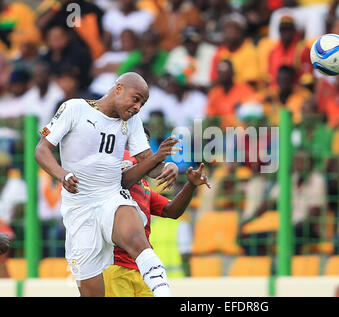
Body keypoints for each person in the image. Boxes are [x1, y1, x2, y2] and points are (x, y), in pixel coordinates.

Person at [34, 72, 180, 297]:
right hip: (79, 208)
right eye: (136, 98)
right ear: (119, 88)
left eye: (142, 103)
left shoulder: (133, 121)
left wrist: (168, 167)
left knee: (136, 239)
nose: (138, 107)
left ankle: (164, 293)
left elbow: (147, 161)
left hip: (112, 196)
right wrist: (62, 175)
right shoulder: (74, 108)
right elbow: (41, 150)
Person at [103, 137, 210, 297]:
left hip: (143, 268)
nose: (143, 150)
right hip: (114, 266)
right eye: (140, 142)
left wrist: (191, 185)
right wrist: (159, 160)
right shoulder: (110, 174)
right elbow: (124, 180)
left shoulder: (143, 187)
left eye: (146, 144)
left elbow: (171, 211)